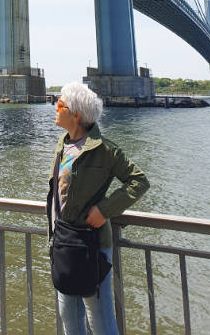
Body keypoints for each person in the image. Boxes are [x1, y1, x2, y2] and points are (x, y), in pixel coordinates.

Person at [48, 82, 149, 335]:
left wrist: (105, 210)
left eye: (60, 104)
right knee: (69, 317)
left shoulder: (105, 150)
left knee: (100, 320)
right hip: (63, 242)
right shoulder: (62, 145)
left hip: (92, 245)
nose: (54, 106)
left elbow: (139, 181)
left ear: (76, 114)